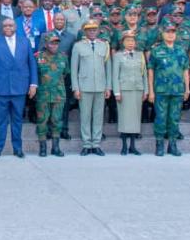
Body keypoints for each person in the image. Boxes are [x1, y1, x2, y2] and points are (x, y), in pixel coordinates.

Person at [0, 18, 37, 159]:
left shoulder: (24, 42)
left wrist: (33, 84)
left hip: (20, 88)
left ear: (15, 27)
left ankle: (17, 148)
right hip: (0, 88)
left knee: (18, 120)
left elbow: (32, 64)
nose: (8, 27)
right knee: (0, 121)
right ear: (2, 27)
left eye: (10, 25)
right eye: (5, 25)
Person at [147, 21, 190, 157]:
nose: (171, 34)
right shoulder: (156, 50)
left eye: (173, 32)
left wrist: (187, 88)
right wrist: (151, 91)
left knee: (174, 118)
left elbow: (185, 70)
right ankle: (159, 144)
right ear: (162, 34)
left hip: (177, 90)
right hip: (161, 90)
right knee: (161, 117)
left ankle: (172, 145)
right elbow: (151, 71)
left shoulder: (180, 50)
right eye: (168, 32)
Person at [70, 19, 112, 156]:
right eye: (89, 29)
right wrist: (76, 88)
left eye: (94, 29)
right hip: (84, 87)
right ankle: (87, 144)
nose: (92, 31)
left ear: (98, 31)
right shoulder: (78, 46)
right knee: (85, 116)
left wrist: (108, 87)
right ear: (85, 31)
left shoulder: (104, 46)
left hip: (100, 86)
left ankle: (96, 144)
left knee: (98, 116)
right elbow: (74, 69)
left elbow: (108, 68)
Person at [112, 30, 148, 155]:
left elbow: (144, 74)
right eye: (128, 40)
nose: (131, 43)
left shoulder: (140, 55)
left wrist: (146, 90)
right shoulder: (118, 56)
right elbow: (115, 75)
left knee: (135, 118)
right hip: (124, 90)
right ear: (123, 42)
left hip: (137, 89)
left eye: (132, 40)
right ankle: (124, 146)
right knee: (124, 118)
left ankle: (133, 146)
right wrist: (116, 92)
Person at [35, 32, 67, 157]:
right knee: (42, 120)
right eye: (51, 43)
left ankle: (55, 147)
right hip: (43, 95)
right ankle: (42, 148)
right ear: (46, 44)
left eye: (56, 43)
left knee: (57, 121)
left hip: (59, 94)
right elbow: (35, 75)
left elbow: (65, 73)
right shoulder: (38, 57)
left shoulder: (63, 57)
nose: (54, 45)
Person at [51, 12, 77, 139]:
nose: (60, 21)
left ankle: (64, 129)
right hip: (50, 76)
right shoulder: (46, 35)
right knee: (51, 103)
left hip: (66, 75)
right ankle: (51, 129)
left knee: (65, 104)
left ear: (65, 21)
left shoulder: (71, 37)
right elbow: (40, 54)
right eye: (57, 19)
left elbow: (74, 57)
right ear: (53, 21)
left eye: (62, 19)